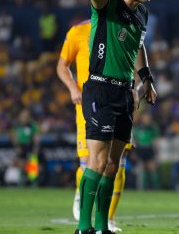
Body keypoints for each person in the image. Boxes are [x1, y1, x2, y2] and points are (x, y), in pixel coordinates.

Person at [73, 0, 156, 233]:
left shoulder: (142, 11)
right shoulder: (109, 3)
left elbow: (138, 43)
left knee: (112, 166)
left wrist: (146, 79)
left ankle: (102, 226)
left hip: (125, 93)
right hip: (100, 89)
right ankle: (83, 227)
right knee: (96, 161)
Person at [56, 17, 134, 232]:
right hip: (89, 103)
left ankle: (107, 219)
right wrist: (73, 89)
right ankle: (83, 201)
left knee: (117, 163)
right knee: (90, 160)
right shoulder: (78, 32)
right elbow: (62, 66)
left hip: (120, 99)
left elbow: (133, 60)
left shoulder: (124, 27)